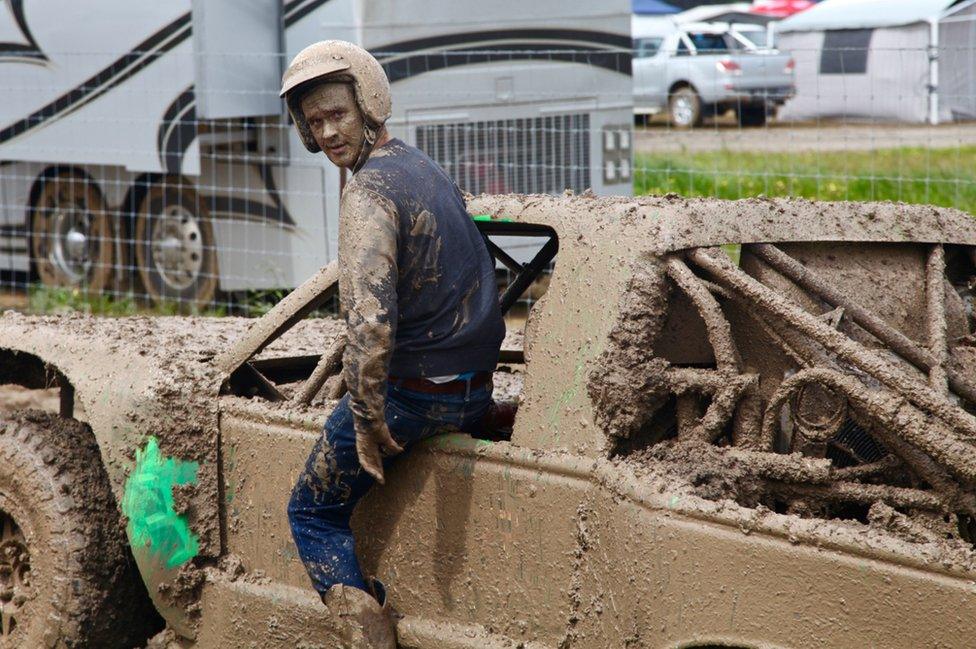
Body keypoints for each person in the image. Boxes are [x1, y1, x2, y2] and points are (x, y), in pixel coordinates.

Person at [281, 41, 505, 647]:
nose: (328, 132)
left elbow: (371, 324)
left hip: (413, 399)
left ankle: (369, 638)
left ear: (369, 104)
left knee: (311, 512)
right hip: (472, 392)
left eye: (338, 115)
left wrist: (364, 417)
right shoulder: (421, 166)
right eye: (316, 121)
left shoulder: (369, 193)